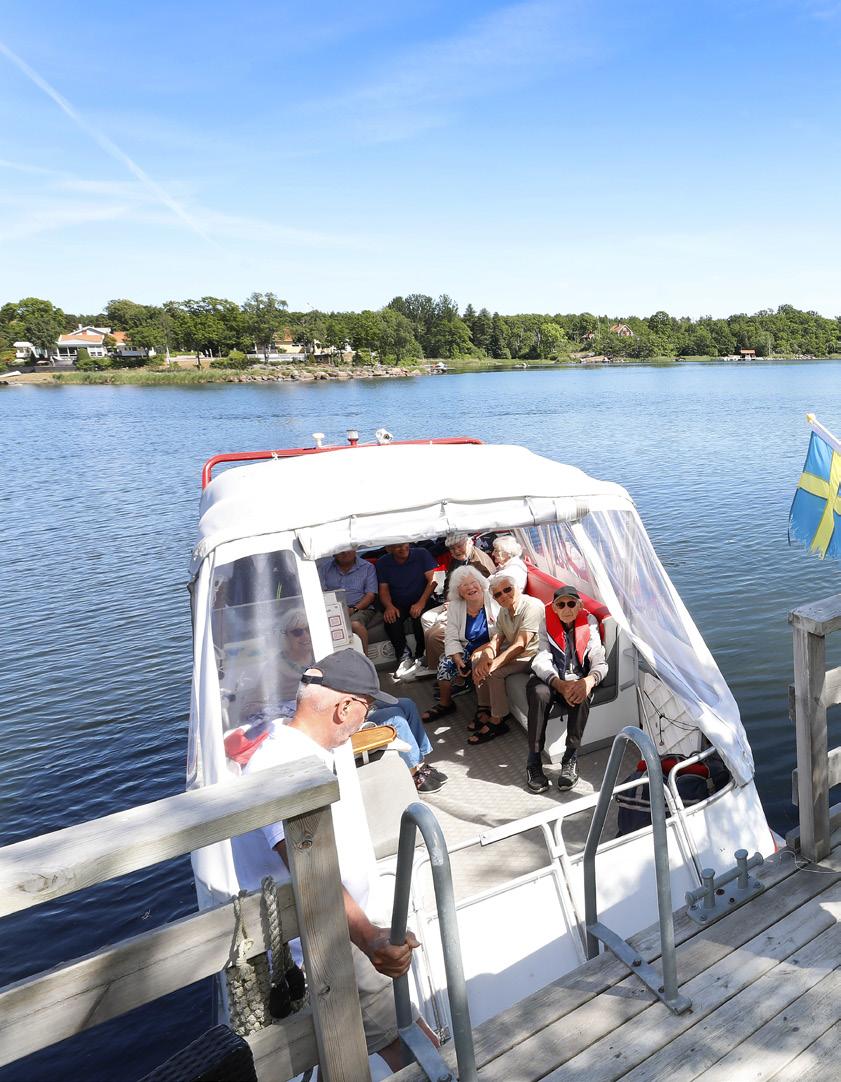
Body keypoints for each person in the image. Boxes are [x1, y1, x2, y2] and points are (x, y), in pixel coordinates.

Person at [232, 649, 435, 1071]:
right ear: (344, 707)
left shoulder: (293, 748)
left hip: (337, 932)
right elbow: (310, 871)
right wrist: (369, 937)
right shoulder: (284, 767)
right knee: (419, 1053)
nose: (365, 719)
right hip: (331, 942)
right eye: (366, 708)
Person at [527, 585, 608, 792]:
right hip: (551, 679)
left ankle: (570, 757)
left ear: (579, 606)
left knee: (582, 694)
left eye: (571, 604)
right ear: (554, 608)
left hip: (576, 679)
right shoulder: (546, 623)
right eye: (561, 605)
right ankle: (533, 761)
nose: (566, 609)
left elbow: (598, 657)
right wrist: (559, 683)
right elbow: (542, 658)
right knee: (539, 693)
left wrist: (588, 681)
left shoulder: (589, 623)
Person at [470, 572, 544, 744]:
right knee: (478, 658)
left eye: (507, 590)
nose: (503, 595)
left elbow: (521, 644)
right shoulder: (504, 611)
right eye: (498, 594)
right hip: (518, 653)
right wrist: (486, 657)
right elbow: (497, 639)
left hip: (534, 655)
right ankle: (485, 707)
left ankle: (498, 720)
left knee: (493, 672)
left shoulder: (532, 606)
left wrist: (494, 663)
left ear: (517, 588)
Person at [412, 533, 495, 681]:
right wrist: (448, 599)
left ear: (469, 543)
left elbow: (483, 592)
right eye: (452, 549)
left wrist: (456, 603)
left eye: (459, 546)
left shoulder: (479, 562)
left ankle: (446, 665)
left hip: (471, 604)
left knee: (434, 634)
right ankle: (435, 660)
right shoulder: (457, 560)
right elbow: (447, 584)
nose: (456, 551)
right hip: (455, 600)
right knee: (426, 617)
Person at [421, 566, 498, 726]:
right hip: (467, 647)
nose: (470, 587)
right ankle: (446, 704)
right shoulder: (456, 606)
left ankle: (485, 708)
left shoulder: (493, 599)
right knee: (445, 663)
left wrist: (483, 650)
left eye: (473, 582)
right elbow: (451, 636)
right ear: (459, 591)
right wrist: (457, 657)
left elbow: (502, 633)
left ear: (481, 583)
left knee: (478, 661)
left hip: (492, 646)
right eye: (464, 585)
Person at [376, 543, 437, 674]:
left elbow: (433, 580)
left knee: (421, 617)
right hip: (397, 603)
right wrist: (389, 606)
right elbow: (383, 589)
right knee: (391, 620)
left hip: (422, 599)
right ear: (389, 548)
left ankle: (421, 656)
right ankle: (404, 658)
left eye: (405, 544)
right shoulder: (382, 562)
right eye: (397, 546)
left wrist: (421, 603)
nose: (403, 548)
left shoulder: (422, 554)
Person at [367, 695, 448, 793]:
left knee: (408, 704)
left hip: (364, 705)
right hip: (356, 716)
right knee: (396, 718)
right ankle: (413, 771)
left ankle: (420, 763)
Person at [319, 549, 378, 653]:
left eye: (347, 549)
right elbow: (320, 594)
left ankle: (364, 659)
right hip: (331, 609)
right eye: (340, 550)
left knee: (355, 624)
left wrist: (353, 609)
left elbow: (370, 595)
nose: (344, 552)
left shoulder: (367, 567)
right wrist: (334, 609)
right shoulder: (324, 568)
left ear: (354, 549)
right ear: (333, 553)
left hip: (360, 608)